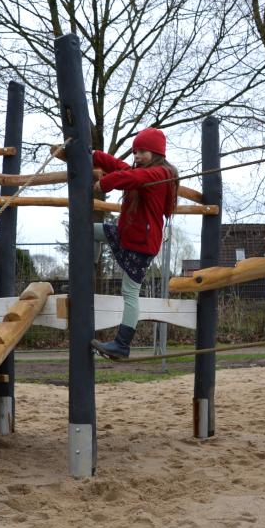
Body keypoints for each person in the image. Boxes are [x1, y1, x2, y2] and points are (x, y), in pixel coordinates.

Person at [89, 128, 179, 359]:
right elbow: (122, 168)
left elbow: (129, 178)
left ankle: (122, 345)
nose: (136, 156)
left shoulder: (160, 174)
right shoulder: (146, 170)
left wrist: (103, 184)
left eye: (142, 152)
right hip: (127, 234)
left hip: (142, 242)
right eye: (135, 151)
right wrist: (93, 155)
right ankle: (85, 276)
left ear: (156, 153)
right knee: (87, 232)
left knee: (129, 292)